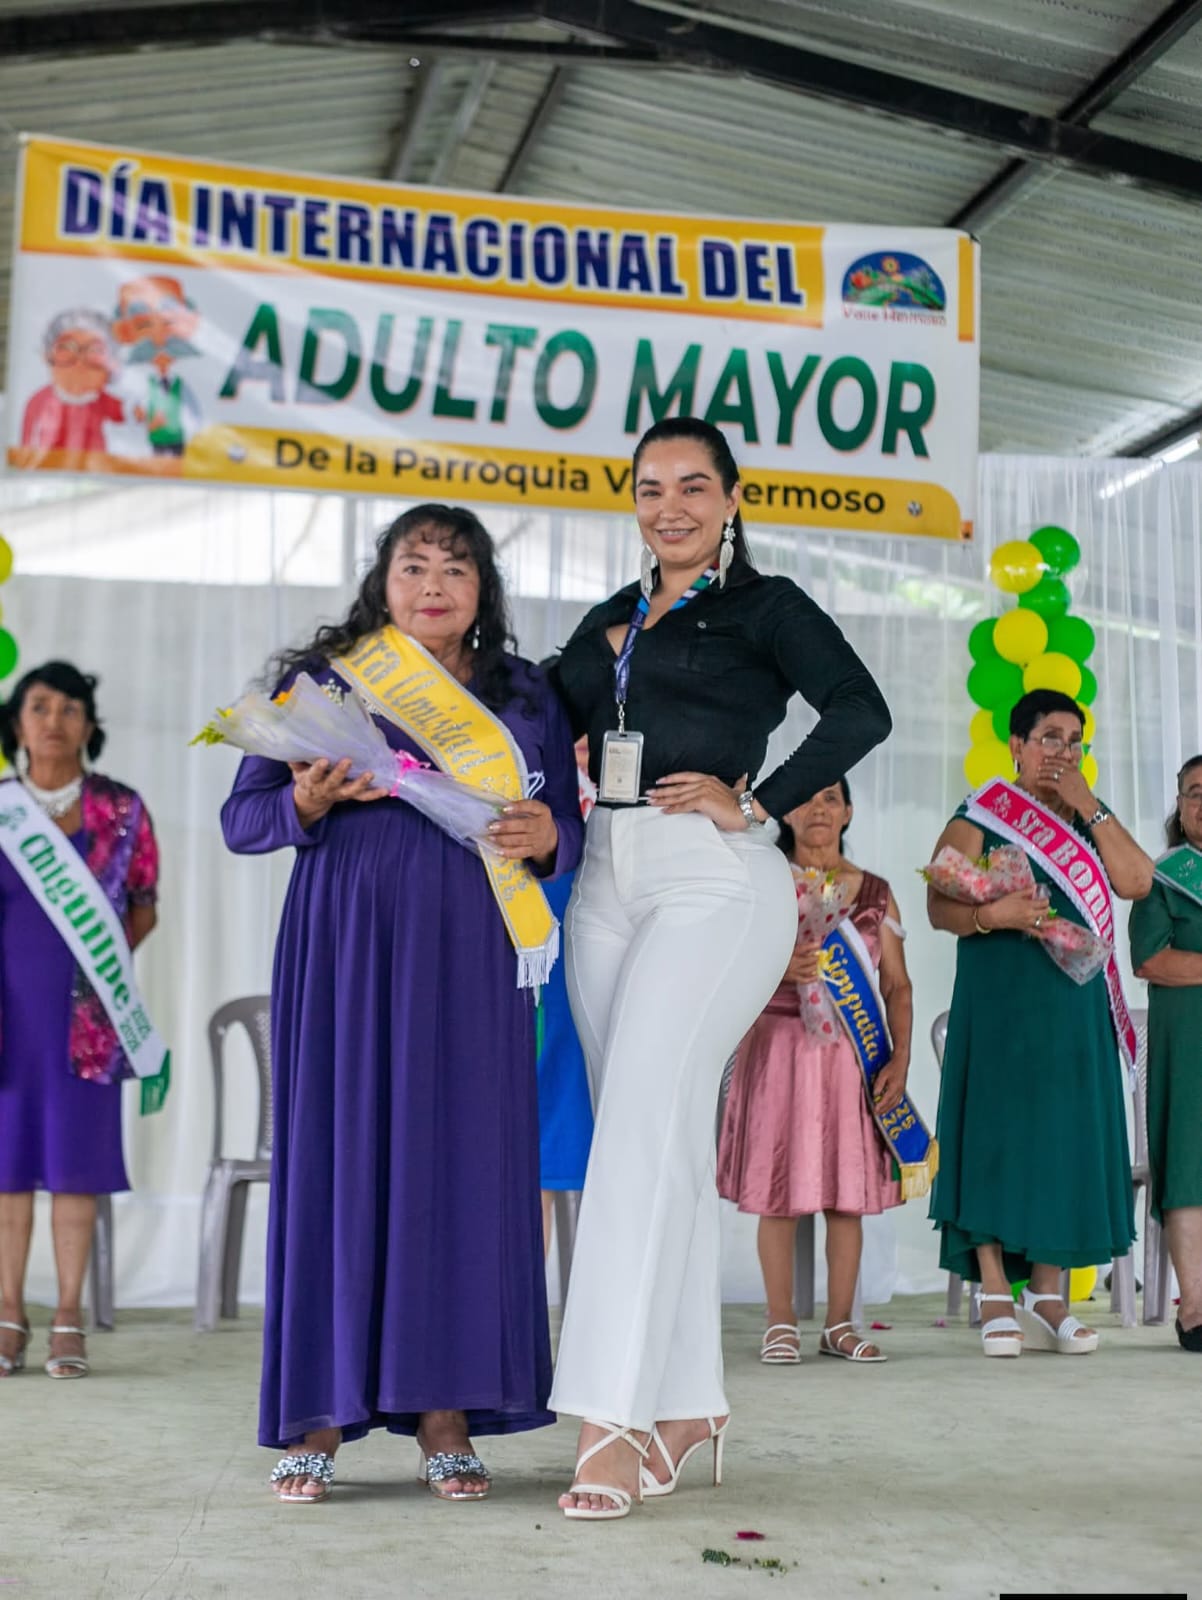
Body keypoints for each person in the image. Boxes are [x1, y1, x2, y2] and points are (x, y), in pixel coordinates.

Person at [547, 416, 891, 1519]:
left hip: (711, 876)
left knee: (638, 1138)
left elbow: (862, 707)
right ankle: (689, 1401)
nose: (671, 506)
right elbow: (542, 707)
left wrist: (762, 804)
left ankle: (607, 1418)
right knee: (650, 1141)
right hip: (604, 879)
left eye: (694, 486)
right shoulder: (612, 617)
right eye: (651, 488)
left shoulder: (766, 606)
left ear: (733, 498)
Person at [221, 504, 582, 1504]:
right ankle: (317, 1415)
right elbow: (243, 818)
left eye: (454, 568)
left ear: (483, 589)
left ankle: (445, 1413)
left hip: (475, 950)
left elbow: (568, 831)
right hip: (346, 946)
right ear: (382, 580)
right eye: (413, 565)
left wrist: (549, 834)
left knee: (461, 1165)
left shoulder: (524, 693)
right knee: (337, 1157)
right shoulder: (326, 678)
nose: (432, 585)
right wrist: (307, 799)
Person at [927, 688, 1153, 1358]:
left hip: (1074, 1007)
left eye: (1074, 741)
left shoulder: (1088, 822)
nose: (1063, 751)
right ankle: (995, 1289)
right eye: (1049, 737)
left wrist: (1090, 805)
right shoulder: (983, 812)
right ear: (1017, 746)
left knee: (1066, 1139)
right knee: (994, 1136)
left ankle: (1048, 1294)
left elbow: (1137, 881)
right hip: (1000, 1002)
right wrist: (989, 916)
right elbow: (939, 902)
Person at [0, 661, 159, 1381]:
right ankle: (8, 1314)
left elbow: (144, 906)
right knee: (6, 1172)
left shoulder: (121, 809)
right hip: (8, 1019)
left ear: (89, 725)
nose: (55, 720)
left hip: (87, 1025)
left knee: (74, 1169)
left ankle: (68, 1317)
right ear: (16, 723)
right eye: (40, 706)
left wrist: (100, 972)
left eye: (71, 708)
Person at [717, 779, 912, 1364]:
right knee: (777, 1193)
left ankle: (839, 1325)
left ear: (849, 811)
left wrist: (900, 1057)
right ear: (786, 811)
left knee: (846, 1198)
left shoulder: (875, 893)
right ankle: (780, 1322)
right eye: (807, 797)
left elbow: (897, 985)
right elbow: (726, 963)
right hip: (777, 1052)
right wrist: (780, 968)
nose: (818, 808)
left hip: (852, 1060)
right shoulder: (762, 882)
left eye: (831, 797)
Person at [1130, 754, 1202, 1352]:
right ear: (1180, 805)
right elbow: (1151, 960)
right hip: (1188, 1041)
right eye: (1195, 792)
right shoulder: (1163, 877)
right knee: (1187, 1165)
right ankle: (1196, 1306)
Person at [536, 737, 595, 1253]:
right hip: (533, 955)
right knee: (529, 1151)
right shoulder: (524, 779)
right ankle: (521, 1291)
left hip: (603, 958)